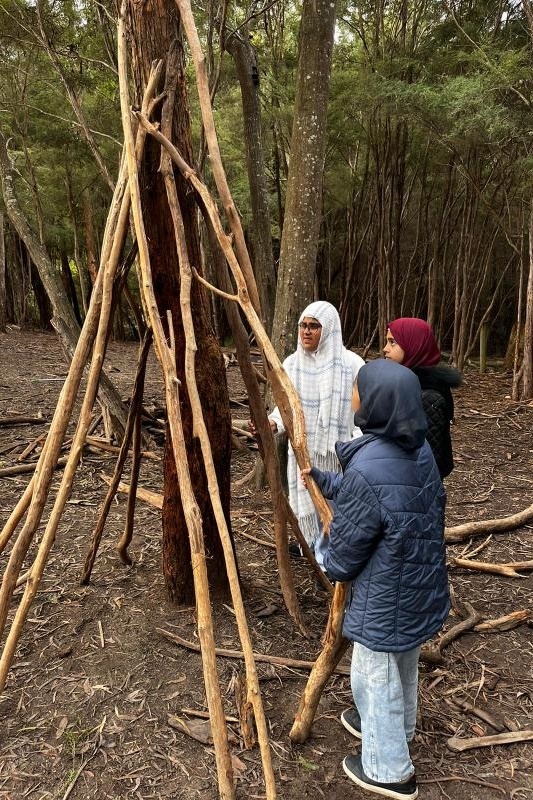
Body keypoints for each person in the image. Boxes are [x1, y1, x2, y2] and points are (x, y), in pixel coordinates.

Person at [305, 359, 450, 800]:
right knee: (403, 662)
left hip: (385, 594)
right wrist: (326, 481)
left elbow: (346, 552)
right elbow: (384, 499)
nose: (353, 393)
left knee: (375, 674)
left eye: (358, 388)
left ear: (377, 403)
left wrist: (322, 553)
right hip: (419, 584)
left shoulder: (370, 467)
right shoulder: (417, 448)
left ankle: (389, 769)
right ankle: (396, 728)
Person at [267, 301, 365, 568]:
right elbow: (283, 408)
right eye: (303, 325)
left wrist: (356, 447)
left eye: (314, 326)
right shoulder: (292, 365)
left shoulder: (351, 364)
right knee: (309, 510)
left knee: (337, 512)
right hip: (303, 455)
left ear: (329, 329)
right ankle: (317, 558)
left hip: (339, 456)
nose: (306, 331)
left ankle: (336, 565)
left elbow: (363, 411)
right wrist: (272, 424)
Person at [384, 317, 462, 478]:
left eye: (393, 342)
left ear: (414, 345)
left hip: (414, 486)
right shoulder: (402, 384)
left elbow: (427, 458)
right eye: (387, 342)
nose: (385, 349)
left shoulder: (427, 395)